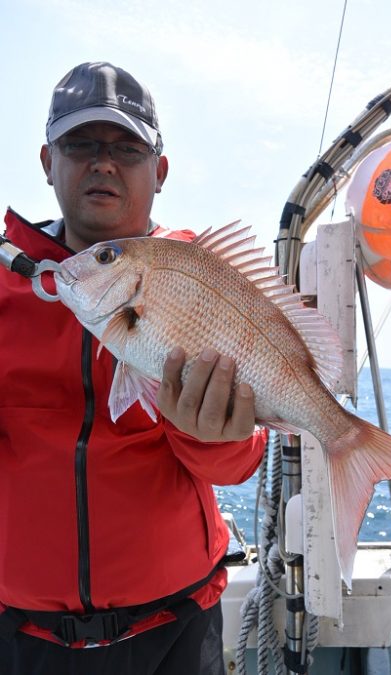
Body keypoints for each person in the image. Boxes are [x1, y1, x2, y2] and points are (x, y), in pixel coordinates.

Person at [0, 61, 266, 675]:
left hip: (175, 628)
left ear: (160, 171)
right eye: (81, 144)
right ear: (47, 161)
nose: (103, 162)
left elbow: (237, 461)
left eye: (127, 147)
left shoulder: (204, 279)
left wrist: (212, 434)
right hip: (20, 637)